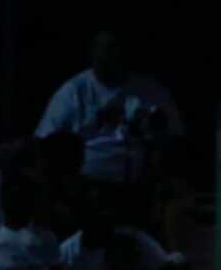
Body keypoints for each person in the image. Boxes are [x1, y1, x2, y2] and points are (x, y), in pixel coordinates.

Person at [36, 30, 184, 204]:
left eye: (115, 49)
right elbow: (44, 140)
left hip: (140, 183)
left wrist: (155, 132)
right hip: (89, 185)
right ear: (93, 54)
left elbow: (176, 135)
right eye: (104, 50)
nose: (109, 56)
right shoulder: (74, 91)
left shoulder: (149, 90)